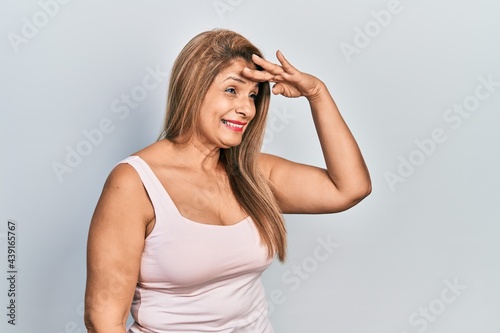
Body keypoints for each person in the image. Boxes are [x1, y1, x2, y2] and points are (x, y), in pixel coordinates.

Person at [84, 29, 371, 333]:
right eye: (232, 90)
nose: (247, 109)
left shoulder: (252, 173)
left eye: (253, 96)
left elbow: (350, 189)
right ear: (193, 89)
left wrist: (317, 93)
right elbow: (103, 320)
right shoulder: (134, 183)